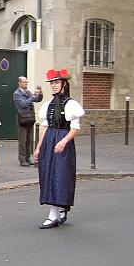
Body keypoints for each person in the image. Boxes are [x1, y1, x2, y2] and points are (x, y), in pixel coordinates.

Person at [33, 68, 85, 229]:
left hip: (63, 143)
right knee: (48, 175)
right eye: (52, 83)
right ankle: (58, 209)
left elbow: (75, 128)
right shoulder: (47, 105)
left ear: (64, 84)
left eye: (56, 83)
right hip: (49, 142)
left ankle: (55, 213)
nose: (54, 86)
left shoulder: (71, 104)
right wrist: (38, 147)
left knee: (60, 175)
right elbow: (44, 127)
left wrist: (64, 141)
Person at [13, 76, 43, 167]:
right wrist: (33, 97)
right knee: (23, 140)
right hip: (22, 118)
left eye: (27, 82)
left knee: (29, 140)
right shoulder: (17, 94)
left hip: (30, 118)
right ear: (20, 83)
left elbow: (37, 99)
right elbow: (23, 104)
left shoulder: (28, 92)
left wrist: (39, 93)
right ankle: (22, 159)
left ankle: (27, 158)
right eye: (24, 82)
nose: (26, 84)